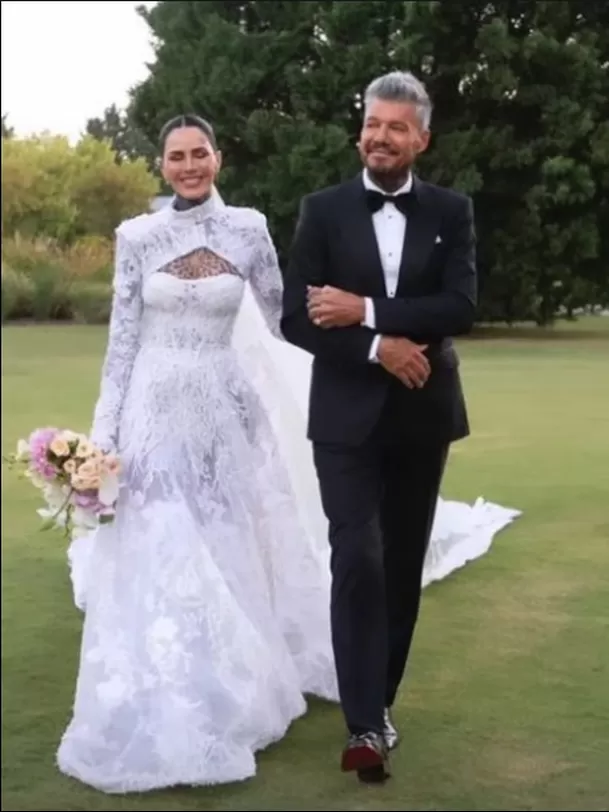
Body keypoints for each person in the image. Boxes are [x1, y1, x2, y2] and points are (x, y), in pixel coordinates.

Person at [57, 114, 340, 794]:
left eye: (199, 153)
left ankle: (236, 683)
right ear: (162, 166)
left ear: (217, 157)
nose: (189, 165)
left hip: (222, 411)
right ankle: (165, 682)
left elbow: (278, 321)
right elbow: (122, 341)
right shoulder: (136, 237)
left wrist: (340, 355)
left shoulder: (249, 228)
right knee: (159, 541)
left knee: (223, 539)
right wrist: (104, 436)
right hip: (151, 409)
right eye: (176, 156)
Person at [280, 70, 500, 783]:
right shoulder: (321, 209)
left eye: (395, 127)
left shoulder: (451, 210)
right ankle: (363, 725)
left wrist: (368, 313)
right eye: (372, 123)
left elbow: (458, 305)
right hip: (343, 418)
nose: (380, 136)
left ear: (421, 139)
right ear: (361, 129)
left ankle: (379, 706)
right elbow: (295, 317)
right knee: (359, 557)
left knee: (401, 566)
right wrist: (377, 347)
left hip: (421, 416)